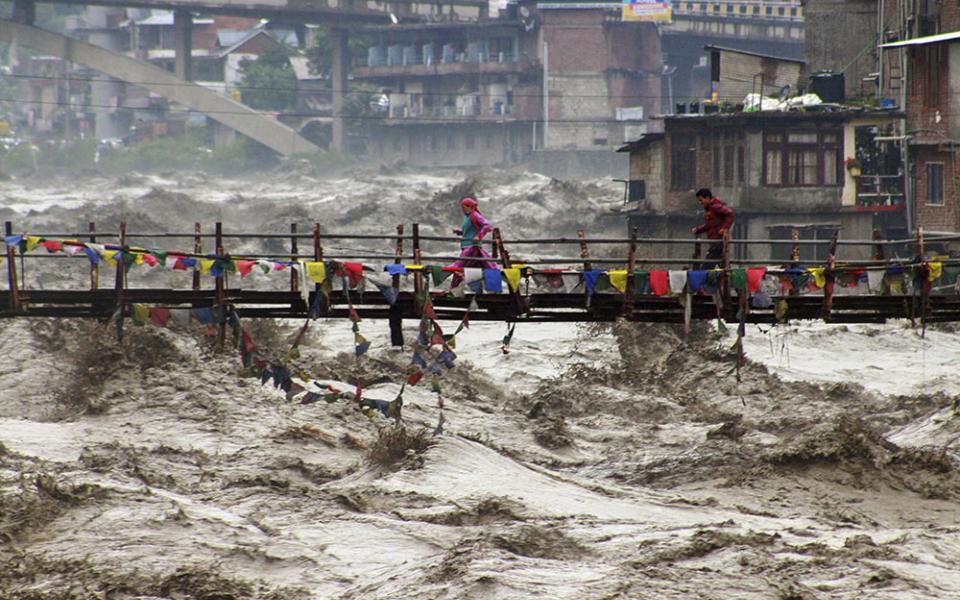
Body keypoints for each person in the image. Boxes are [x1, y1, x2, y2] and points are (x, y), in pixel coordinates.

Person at [449, 196, 497, 286]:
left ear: (470, 206)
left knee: (459, 265)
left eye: (464, 207)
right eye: (462, 207)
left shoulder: (475, 215)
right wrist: (460, 232)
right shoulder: (467, 217)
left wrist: (479, 236)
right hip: (466, 245)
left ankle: (453, 287)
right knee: (480, 265)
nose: (463, 209)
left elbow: (487, 225)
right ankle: (482, 289)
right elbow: (469, 231)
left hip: (472, 246)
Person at [690, 188, 735, 268]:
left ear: (707, 198)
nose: (700, 203)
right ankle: (728, 279)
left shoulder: (715, 207)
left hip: (718, 241)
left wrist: (725, 228)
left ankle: (703, 279)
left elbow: (730, 214)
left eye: (701, 200)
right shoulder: (709, 210)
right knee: (723, 266)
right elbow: (709, 225)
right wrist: (699, 230)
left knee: (707, 266)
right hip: (715, 241)